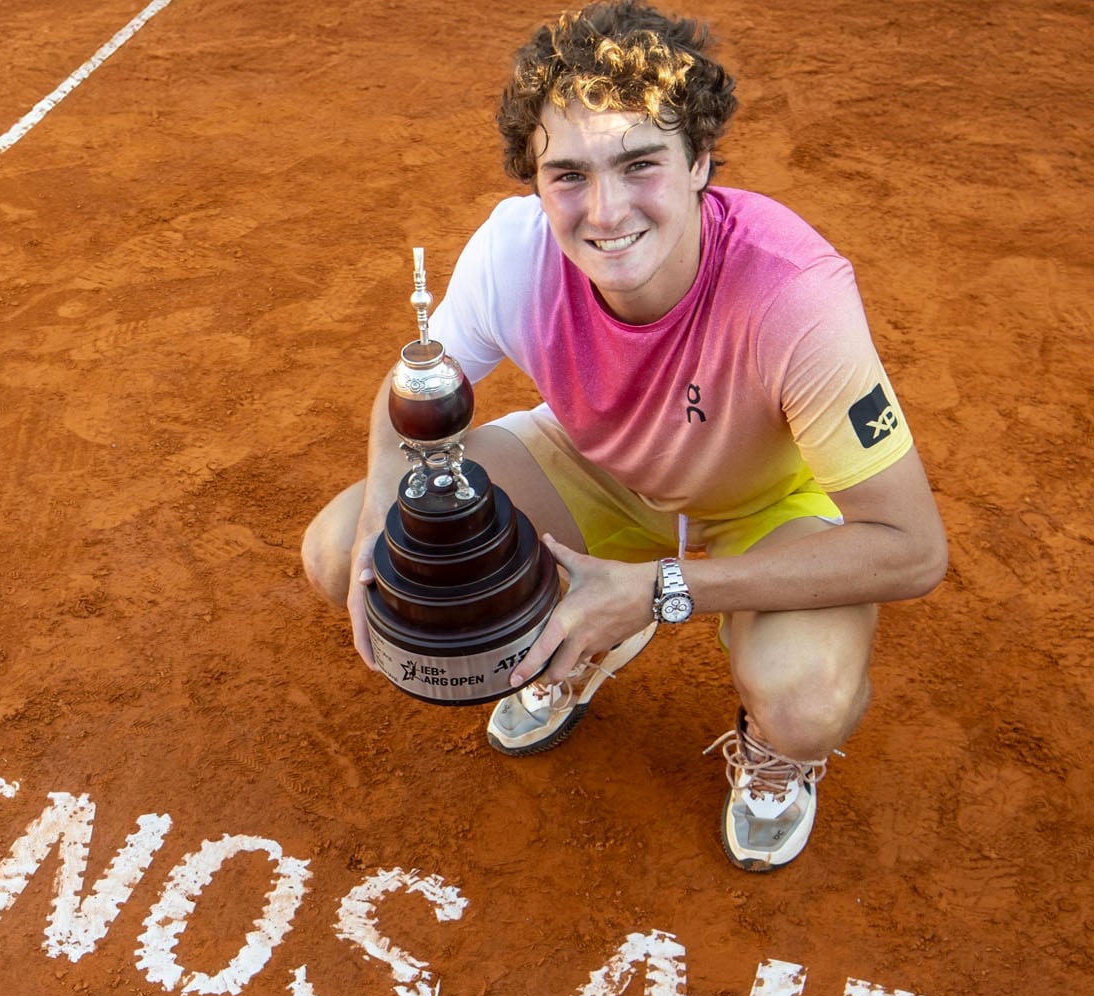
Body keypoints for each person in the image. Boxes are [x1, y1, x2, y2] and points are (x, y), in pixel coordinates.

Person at [301, 0, 947, 871]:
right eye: (567, 174)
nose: (603, 211)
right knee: (350, 546)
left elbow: (911, 549)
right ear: (533, 182)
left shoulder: (794, 296)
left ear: (700, 162)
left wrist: (658, 590)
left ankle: (768, 750)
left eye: (639, 163)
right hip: (591, 467)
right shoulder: (515, 252)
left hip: (767, 505)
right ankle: (582, 629)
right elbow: (416, 392)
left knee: (804, 698)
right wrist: (385, 516)